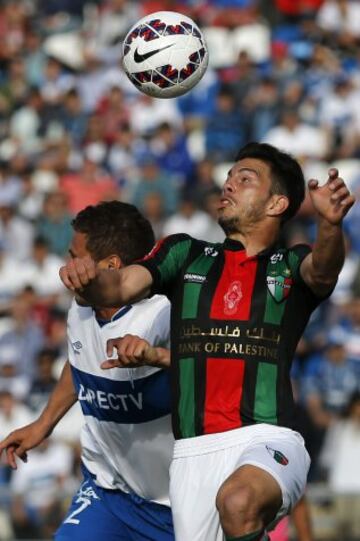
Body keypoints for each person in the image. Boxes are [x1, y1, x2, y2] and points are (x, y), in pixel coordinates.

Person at [59, 142, 355, 541]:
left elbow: (322, 270)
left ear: (276, 204)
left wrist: (331, 226)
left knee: (239, 501)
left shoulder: (288, 266)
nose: (228, 184)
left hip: (267, 437)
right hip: (192, 455)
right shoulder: (184, 252)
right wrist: (91, 278)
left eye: (245, 179)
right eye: (229, 176)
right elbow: (122, 285)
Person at [0, 201, 174, 541]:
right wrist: (43, 423)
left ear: (111, 265)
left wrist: (157, 355)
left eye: (75, 255)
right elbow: (81, 358)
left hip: (176, 504)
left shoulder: (163, 314)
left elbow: (213, 368)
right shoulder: (81, 306)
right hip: (108, 493)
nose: (66, 265)